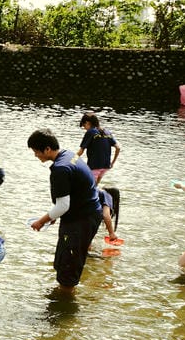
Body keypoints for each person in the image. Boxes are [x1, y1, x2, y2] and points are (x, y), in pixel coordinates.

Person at [28, 129, 102, 295]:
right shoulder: (70, 155)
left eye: (36, 152)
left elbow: (63, 206)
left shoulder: (60, 169)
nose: (35, 156)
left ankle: (65, 301)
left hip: (80, 220)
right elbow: (75, 189)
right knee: (67, 259)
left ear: (47, 149)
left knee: (69, 264)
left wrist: (41, 221)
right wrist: (54, 216)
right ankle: (64, 292)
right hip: (89, 214)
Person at [76, 112, 119, 183]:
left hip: (94, 166)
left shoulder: (90, 132)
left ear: (87, 122)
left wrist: (71, 161)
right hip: (105, 166)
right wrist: (112, 163)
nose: (85, 129)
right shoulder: (107, 132)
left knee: (88, 187)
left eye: (84, 126)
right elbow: (118, 148)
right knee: (95, 187)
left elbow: (81, 151)